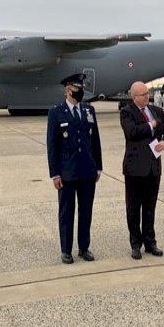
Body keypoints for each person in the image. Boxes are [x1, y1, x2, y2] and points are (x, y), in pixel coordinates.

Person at [47, 73, 103, 264]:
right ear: (68, 90)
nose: (80, 92)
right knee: (66, 212)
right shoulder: (56, 112)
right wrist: (54, 173)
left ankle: (84, 247)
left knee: (86, 211)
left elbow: (95, 140)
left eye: (81, 89)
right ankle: (66, 250)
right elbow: (52, 146)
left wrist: (98, 167)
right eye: (77, 89)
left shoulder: (89, 110)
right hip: (67, 172)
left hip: (87, 170)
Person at [120, 81, 164, 260]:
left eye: (147, 93)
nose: (147, 96)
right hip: (135, 169)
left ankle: (150, 242)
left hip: (153, 168)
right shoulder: (127, 112)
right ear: (134, 97)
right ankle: (136, 244)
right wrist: (151, 126)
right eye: (143, 94)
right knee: (134, 208)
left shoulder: (157, 111)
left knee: (150, 207)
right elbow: (132, 132)